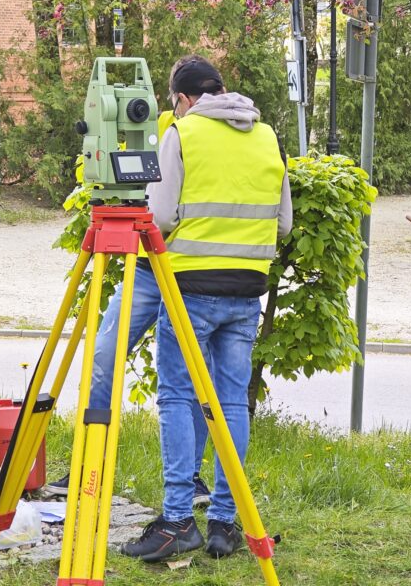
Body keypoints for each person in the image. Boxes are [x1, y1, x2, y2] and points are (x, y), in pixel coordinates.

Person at [121, 55, 292, 563]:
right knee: (232, 401)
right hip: (247, 290)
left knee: (177, 396)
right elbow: (282, 224)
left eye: (175, 103)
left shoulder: (184, 133)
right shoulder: (266, 136)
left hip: (191, 286)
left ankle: (177, 520)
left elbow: (162, 215)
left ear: (185, 98)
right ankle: (224, 522)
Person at [43, 98, 211, 506]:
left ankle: (191, 477)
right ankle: (89, 463)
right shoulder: (167, 127)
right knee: (104, 354)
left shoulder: (217, 142)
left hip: (189, 271)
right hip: (150, 269)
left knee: (194, 375)